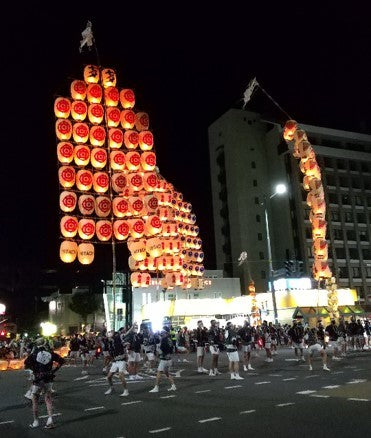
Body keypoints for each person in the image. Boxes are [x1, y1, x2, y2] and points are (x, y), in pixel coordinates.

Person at [24, 337, 64, 429]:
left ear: (37, 344)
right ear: (45, 343)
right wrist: (54, 371)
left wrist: (34, 370)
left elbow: (26, 365)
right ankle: (50, 420)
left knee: (35, 400)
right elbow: (62, 361)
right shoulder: (50, 353)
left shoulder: (34, 354)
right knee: (48, 399)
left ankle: (36, 421)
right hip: (48, 379)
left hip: (38, 379)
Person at [149, 327, 176, 393]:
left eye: (163, 332)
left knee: (159, 373)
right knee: (167, 373)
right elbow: (172, 349)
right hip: (169, 359)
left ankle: (156, 387)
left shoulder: (164, 340)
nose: (161, 334)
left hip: (164, 359)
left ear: (165, 333)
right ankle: (173, 386)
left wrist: (158, 356)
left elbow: (161, 350)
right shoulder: (170, 339)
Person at [104, 330, 129, 397]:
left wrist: (132, 327)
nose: (109, 333)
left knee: (121, 376)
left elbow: (125, 334)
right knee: (109, 377)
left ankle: (126, 390)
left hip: (121, 360)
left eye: (110, 332)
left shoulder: (117, 339)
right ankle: (112, 388)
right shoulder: (108, 342)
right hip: (115, 361)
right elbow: (110, 353)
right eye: (108, 332)